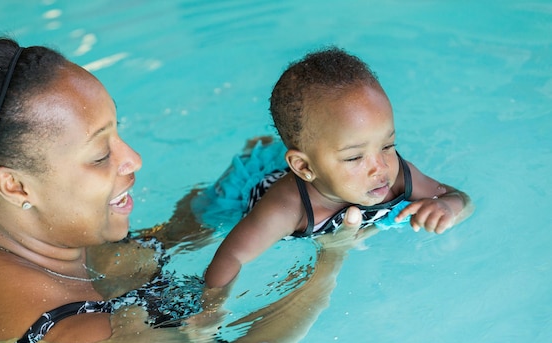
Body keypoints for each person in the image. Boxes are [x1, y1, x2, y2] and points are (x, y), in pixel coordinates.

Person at [0, 38, 404, 343]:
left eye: (117, 134)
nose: (132, 159)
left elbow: (120, 266)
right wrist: (332, 256)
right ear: (14, 185)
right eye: (99, 155)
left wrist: (205, 212)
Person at [197, 47, 474, 288]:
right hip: (245, 193)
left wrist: (446, 208)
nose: (381, 167)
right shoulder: (288, 207)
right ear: (304, 167)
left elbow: (458, 198)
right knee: (200, 223)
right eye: (355, 157)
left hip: (319, 166)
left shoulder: (400, 175)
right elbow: (232, 256)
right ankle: (258, 147)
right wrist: (211, 310)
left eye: (387, 146)